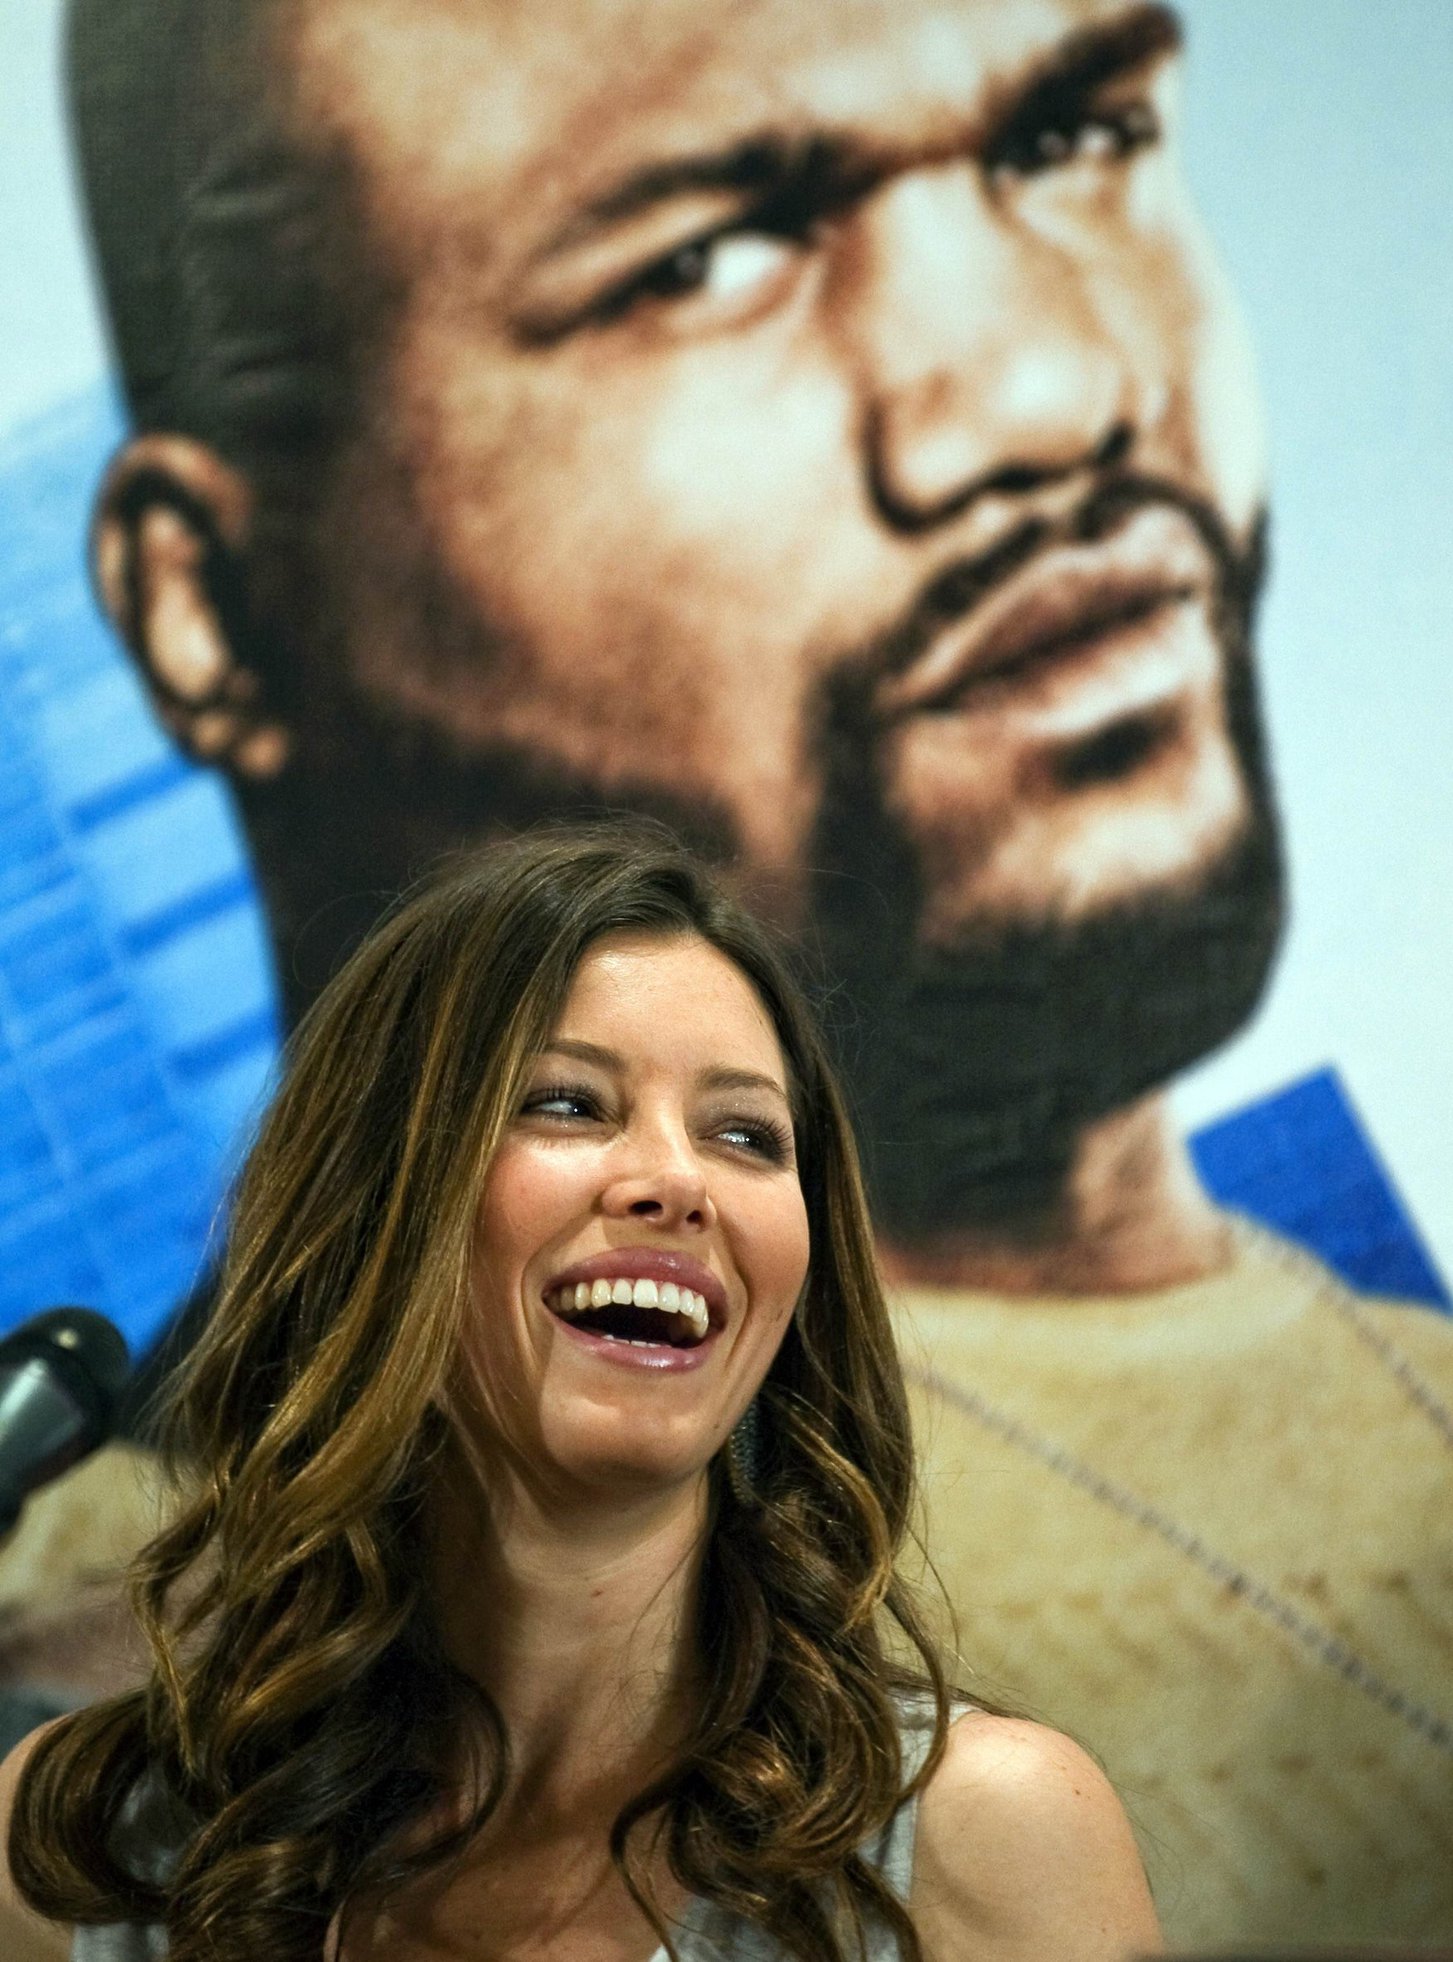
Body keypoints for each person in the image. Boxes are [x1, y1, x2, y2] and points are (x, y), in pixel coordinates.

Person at [38, 0, 1453, 1942]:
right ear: (210, 597)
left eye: (1068, 139)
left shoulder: (988, 1842)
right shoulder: (74, 1797)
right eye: (703, 256)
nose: (1044, 392)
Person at [0, 827, 1158, 1962]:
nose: (677, 1181)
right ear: (372, 1210)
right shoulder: (77, 1856)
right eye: (567, 1103)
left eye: (746, 1134)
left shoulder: (980, 1842)